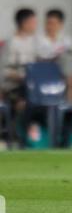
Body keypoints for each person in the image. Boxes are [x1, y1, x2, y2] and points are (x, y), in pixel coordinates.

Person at [2, 8, 38, 143]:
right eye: (33, 22)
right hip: (14, 87)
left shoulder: (34, 41)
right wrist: (22, 76)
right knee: (23, 102)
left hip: (32, 86)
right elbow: (5, 72)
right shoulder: (11, 43)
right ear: (24, 23)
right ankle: (16, 136)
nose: (35, 25)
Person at [37, 9, 72, 102]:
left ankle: (69, 110)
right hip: (42, 72)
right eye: (48, 23)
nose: (50, 26)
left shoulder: (64, 39)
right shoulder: (39, 39)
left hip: (58, 73)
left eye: (54, 23)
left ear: (60, 24)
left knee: (71, 80)